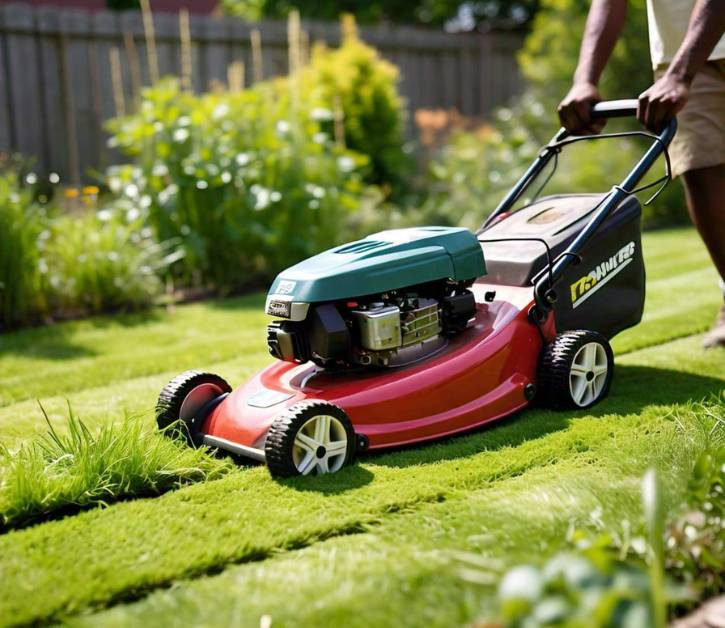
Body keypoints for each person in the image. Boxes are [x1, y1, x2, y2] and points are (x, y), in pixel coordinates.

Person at [558, 0, 725, 348]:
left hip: (685, 60)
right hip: (679, 47)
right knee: (699, 166)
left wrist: (680, 74)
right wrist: (584, 80)